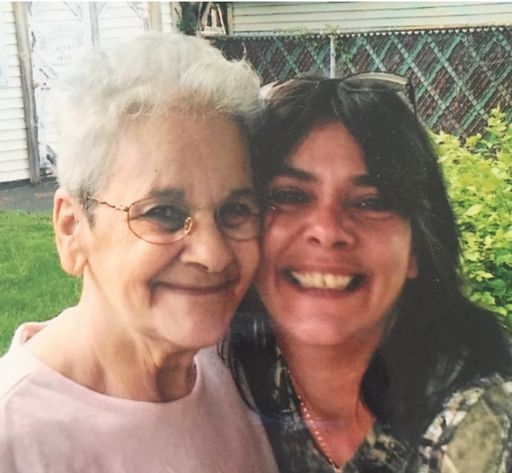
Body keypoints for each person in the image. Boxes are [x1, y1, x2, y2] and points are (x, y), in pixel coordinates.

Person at [0, 33, 278, 473]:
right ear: (72, 229)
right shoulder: (15, 439)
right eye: (163, 213)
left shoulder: (236, 370)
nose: (213, 255)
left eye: (235, 211)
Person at [225, 75, 512, 472]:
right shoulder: (229, 369)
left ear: (416, 249)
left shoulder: (483, 426)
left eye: (371, 202)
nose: (327, 230)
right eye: (289, 195)